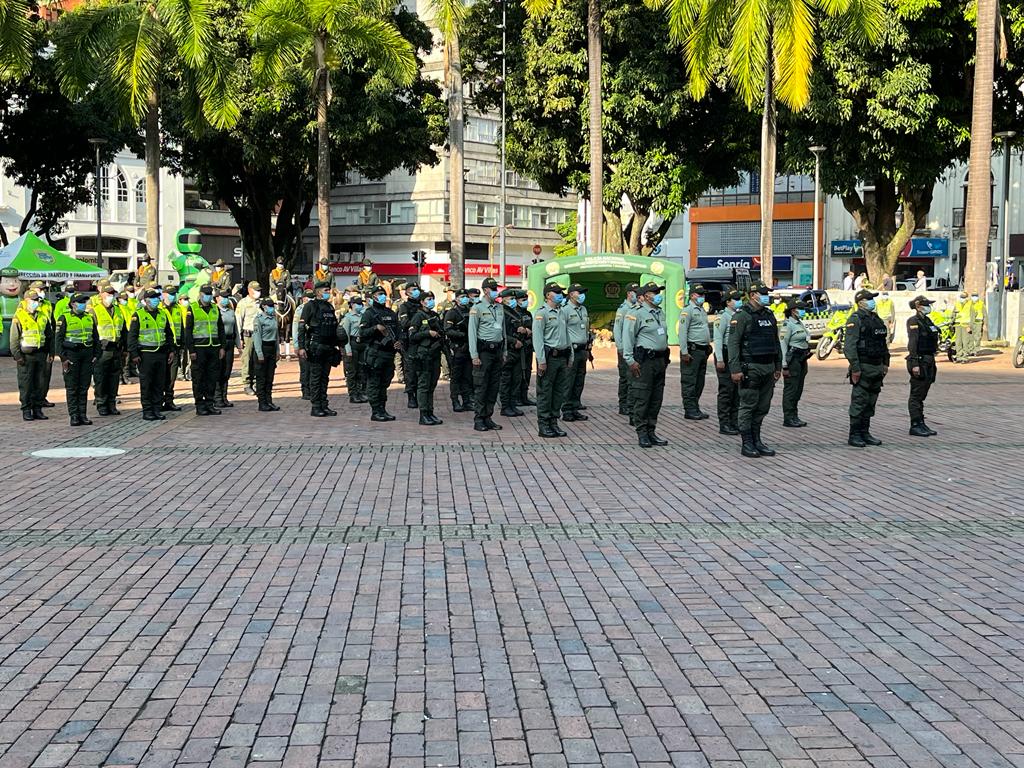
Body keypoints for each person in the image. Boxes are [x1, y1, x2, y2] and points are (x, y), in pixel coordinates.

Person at [727, 282, 782, 458]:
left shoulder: (769, 315)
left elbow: (775, 342)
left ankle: (757, 439)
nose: (766, 296)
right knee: (748, 405)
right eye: (763, 293)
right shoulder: (742, 316)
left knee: (763, 406)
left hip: (768, 366)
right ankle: (747, 442)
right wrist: (735, 369)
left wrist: (778, 365)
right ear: (753, 295)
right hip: (750, 367)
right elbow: (733, 344)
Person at [621, 282, 670, 448]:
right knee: (642, 398)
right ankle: (642, 433)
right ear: (645, 296)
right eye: (654, 292)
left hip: (659, 360)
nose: (657, 295)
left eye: (658, 292)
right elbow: (628, 338)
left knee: (656, 398)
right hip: (644, 362)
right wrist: (629, 360)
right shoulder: (636, 314)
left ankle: (651, 431)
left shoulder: (659, 312)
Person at [845, 288, 890, 447]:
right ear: (861, 302)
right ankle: (854, 434)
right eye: (869, 299)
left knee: (871, 401)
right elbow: (850, 347)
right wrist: (855, 368)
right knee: (859, 401)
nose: (872, 301)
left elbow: (883, 343)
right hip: (863, 366)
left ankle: (865, 432)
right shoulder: (855, 319)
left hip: (877, 365)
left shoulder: (876, 319)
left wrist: (886, 363)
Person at [298, 279, 343, 417]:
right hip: (316, 347)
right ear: (318, 292)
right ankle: (316, 406)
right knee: (316, 378)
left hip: (329, 347)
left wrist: (339, 345)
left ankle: (324, 404)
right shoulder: (310, 306)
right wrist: (301, 347)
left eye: (329, 290)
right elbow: (301, 327)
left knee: (325, 378)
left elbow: (334, 327)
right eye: (325, 291)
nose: (328, 293)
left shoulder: (329, 307)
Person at [532, 283, 572, 438]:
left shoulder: (562, 312)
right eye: (556, 292)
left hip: (562, 356)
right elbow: (538, 339)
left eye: (560, 292)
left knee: (558, 392)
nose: (560, 295)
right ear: (548, 295)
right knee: (545, 392)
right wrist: (541, 360)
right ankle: (544, 425)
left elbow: (567, 336)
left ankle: (554, 422)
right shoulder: (542, 313)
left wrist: (571, 355)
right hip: (549, 358)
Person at [359, 284, 402, 421]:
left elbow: (399, 331)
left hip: (389, 354)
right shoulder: (369, 314)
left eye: (383, 294)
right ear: (373, 297)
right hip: (376, 353)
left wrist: (399, 341)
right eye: (379, 295)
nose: (382, 297)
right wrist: (375, 328)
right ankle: (375, 410)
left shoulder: (390, 313)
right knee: (374, 383)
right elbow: (362, 333)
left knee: (385, 383)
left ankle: (382, 409)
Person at [55, 293, 100, 426]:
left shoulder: (89, 318)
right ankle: (74, 415)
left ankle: (83, 414)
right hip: (71, 355)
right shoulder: (64, 318)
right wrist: (63, 358)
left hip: (87, 354)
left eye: (84, 301)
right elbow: (58, 340)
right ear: (73, 304)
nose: (83, 304)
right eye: (80, 302)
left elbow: (95, 337)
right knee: (72, 387)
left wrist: (96, 354)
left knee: (84, 386)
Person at [129, 289, 173, 421]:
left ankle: (156, 409)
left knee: (159, 383)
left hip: (161, 353)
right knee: (147, 383)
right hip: (146, 354)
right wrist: (134, 354)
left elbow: (169, 333)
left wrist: (171, 350)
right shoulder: (138, 315)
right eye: (153, 298)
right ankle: (147, 410)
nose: (156, 300)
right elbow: (132, 337)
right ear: (146, 300)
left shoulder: (162, 314)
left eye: (157, 298)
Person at [469, 277, 506, 431]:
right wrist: (474, 355)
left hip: (497, 351)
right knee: (481, 386)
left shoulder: (499, 308)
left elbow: (503, 330)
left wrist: (505, 351)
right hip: (484, 352)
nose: (496, 291)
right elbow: (472, 332)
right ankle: (479, 418)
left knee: (493, 386)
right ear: (485, 290)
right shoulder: (477, 308)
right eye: (493, 289)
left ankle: (488, 417)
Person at [11, 289, 54, 420]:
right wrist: (17, 356)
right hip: (26, 356)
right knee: (26, 384)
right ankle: (26, 409)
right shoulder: (19, 316)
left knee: (40, 383)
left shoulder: (42, 315)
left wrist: (51, 352)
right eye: (33, 300)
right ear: (26, 301)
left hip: (41, 354)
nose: (36, 302)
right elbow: (14, 339)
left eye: (37, 300)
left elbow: (49, 336)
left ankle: (37, 409)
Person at [185, 285, 226, 415]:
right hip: (199, 349)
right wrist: (191, 350)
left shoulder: (215, 308)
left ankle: (210, 403)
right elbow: (188, 331)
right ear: (201, 294)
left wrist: (222, 347)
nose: (208, 296)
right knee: (199, 378)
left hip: (213, 347)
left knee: (212, 377)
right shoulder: (192, 308)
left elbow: (220, 329)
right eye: (206, 293)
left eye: (210, 294)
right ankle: (200, 405)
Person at [408, 291, 445, 425]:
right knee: (424, 385)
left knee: (432, 385)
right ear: (422, 302)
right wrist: (427, 333)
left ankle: (430, 412)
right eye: (428, 299)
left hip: (434, 355)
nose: (431, 301)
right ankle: (423, 414)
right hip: (423, 355)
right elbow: (412, 336)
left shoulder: (434, 316)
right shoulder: (418, 316)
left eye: (432, 299)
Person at [906, 295, 939, 437]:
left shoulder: (927, 320)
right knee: (916, 394)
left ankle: (921, 422)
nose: (928, 307)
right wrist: (914, 363)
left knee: (922, 394)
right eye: (926, 305)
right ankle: (915, 424)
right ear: (918, 306)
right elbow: (913, 343)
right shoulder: (914, 321)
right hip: (919, 360)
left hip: (928, 360)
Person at [678, 283, 711, 420]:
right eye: (700, 294)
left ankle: (695, 406)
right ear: (692, 296)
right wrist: (684, 352)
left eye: (703, 294)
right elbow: (682, 332)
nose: (702, 297)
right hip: (692, 350)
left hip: (702, 350)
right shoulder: (688, 310)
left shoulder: (702, 310)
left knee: (699, 381)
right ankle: (689, 409)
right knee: (689, 381)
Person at [90, 285, 125, 416]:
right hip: (102, 350)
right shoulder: (95, 311)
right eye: (108, 293)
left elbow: (123, 329)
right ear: (102, 294)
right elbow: (92, 332)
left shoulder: (118, 310)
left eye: (112, 294)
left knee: (114, 378)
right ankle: (101, 404)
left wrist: (124, 346)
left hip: (116, 348)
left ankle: (112, 403)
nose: (111, 296)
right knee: (101, 379)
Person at [561, 283, 592, 422]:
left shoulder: (583, 309)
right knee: (569, 380)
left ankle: (575, 407)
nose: (582, 295)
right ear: (571, 294)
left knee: (579, 380)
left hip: (582, 350)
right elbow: (562, 331)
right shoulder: (565, 310)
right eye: (579, 293)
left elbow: (586, 328)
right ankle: (566, 409)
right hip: (571, 350)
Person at [713, 289, 742, 435]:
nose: (738, 301)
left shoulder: (739, 315)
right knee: (726, 391)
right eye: (735, 299)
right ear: (728, 302)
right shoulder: (723, 317)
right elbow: (718, 339)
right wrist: (720, 359)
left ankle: (734, 421)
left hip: (735, 355)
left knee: (737, 391)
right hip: (724, 354)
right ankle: (724, 423)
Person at [780, 300, 811, 428]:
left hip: (801, 359)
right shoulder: (788, 325)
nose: (803, 311)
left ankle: (794, 415)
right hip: (792, 360)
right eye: (801, 308)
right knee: (791, 389)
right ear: (793, 310)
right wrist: (784, 365)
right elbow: (782, 345)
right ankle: (788, 417)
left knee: (798, 389)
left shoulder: (799, 323)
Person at [444, 289, 474, 412]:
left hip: (468, 348)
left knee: (467, 376)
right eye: (462, 297)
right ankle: (455, 401)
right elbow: (448, 330)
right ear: (456, 299)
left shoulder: (470, 311)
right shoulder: (452, 313)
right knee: (456, 377)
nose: (465, 299)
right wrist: (461, 334)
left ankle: (466, 401)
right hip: (457, 348)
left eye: (466, 296)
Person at [499, 287, 526, 417]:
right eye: (511, 299)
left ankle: (512, 404)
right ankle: (505, 406)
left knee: (516, 379)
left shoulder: (514, 312)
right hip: (508, 350)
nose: (514, 301)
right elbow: (500, 332)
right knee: (506, 379)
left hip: (518, 350)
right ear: (503, 299)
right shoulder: (501, 312)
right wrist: (513, 341)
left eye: (515, 299)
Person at [28, 281, 56, 408]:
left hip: (46, 342)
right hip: (31, 346)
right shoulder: (25, 305)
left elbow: (52, 323)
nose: (43, 292)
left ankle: (42, 397)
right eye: (40, 289)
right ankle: (32, 400)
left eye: (43, 289)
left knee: (45, 374)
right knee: (32, 376)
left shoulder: (48, 304)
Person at [252, 297, 281, 411]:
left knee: (270, 377)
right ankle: (262, 402)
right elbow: (257, 338)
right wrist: (259, 353)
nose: (272, 308)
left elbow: (277, 336)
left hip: (272, 348)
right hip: (262, 348)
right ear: (264, 307)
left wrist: (278, 351)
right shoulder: (259, 319)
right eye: (269, 306)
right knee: (261, 378)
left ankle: (269, 401)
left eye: (272, 306)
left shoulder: (274, 318)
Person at [397, 284, 424, 409]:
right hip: (409, 342)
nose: (416, 291)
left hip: (422, 341)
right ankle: (411, 396)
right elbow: (404, 323)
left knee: (422, 370)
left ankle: (420, 395)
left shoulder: (422, 305)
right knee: (410, 371)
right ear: (407, 293)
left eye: (417, 289)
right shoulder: (404, 306)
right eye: (413, 290)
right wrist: (418, 323)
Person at [160, 286, 186, 411]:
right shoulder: (159, 308)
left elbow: (182, 327)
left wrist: (182, 346)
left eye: (174, 294)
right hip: (161, 347)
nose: (173, 296)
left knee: (172, 376)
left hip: (175, 348)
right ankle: (158, 401)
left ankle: (169, 400)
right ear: (163, 294)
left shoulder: (178, 309)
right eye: (170, 294)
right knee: (160, 377)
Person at [235, 281, 262, 393]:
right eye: (257, 290)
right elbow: (238, 321)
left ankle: (256, 382)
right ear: (250, 290)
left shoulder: (261, 303)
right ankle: (247, 383)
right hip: (248, 335)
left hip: (259, 336)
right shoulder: (243, 303)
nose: (259, 292)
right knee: (247, 359)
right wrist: (239, 339)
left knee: (258, 359)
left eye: (259, 290)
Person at [341, 295, 367, 403]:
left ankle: (360, 392)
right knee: (352, 371)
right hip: (352, 344)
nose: (360, 305)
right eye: (358, 303)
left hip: (362, 344)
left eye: (361, 303)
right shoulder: (348, 317)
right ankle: (353, 394)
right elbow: (345, 335)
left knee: (361, 371)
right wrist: (348, 350)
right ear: (352, 305)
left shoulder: (363, 315)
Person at [215, 290, 237, 408]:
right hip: (219, 343)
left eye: (227, 297)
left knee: (227, 370)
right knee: (219, 370)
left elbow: (236, 328)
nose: (225, 299)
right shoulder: (215, 311)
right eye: (223, 297)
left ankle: (224, 396)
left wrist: (238, 343)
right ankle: (217, 397)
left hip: (230, 341)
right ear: (217, 298)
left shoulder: (230, 312)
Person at [516, 290, 536, 407]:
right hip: (520, 347)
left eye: (526, 299)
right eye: (523, 300)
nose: (526, 302)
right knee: (520, 372)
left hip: (528, 346)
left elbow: (533, 327)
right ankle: (517, 397)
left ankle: (524, 396)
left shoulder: (528, 314)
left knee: (527, 371)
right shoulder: (514, 313)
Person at [293, 289, 313, 400]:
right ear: (304, 299)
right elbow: (296, 328)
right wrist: (297, 345)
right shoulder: (299, 310)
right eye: (309, 298)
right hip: (303, 341)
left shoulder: (315, 308)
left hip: (313, 342)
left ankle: (312, 389)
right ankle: (305, 390)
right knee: (305, 368)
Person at [953, 291, 972, 363]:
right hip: (958, 325)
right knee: (958, 342)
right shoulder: (957, 304)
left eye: (964, 297)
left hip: (966, 325)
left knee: (965, 342)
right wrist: (952, 322)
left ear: (967, 298)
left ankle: (964, 357)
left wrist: (970, 326)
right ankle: (959, 356)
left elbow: (972, 316)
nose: (962, 298)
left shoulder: (970, 304)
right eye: (961, 297)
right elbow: (953, 313)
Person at [970, 292, 985, 356]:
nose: (974, 297)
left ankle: (976, 350)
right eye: (973, 296)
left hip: (978, 322)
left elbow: (985, 314)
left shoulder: (981, 304)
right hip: (970, 322)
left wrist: (985, 324)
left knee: (977, 337)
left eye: (975, 296)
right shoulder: (969, 303)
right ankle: (970, 350)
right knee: (970, 337)